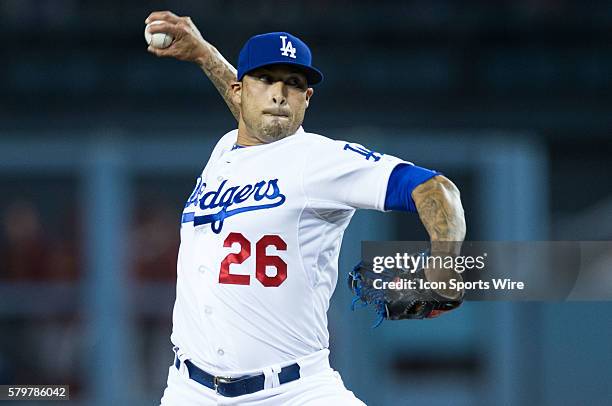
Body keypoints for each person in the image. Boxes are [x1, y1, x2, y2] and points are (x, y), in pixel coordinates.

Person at [145, 10, 466, 406]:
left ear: (307, 98)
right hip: (190, 391)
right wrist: (204, 54)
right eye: (265, 80)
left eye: (293, 84)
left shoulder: (320, 161)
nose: (279, 94)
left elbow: (436, 189)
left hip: (294, 392)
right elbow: (257, 126)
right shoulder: (226, 148)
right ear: (237, 90)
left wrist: (445, 266)